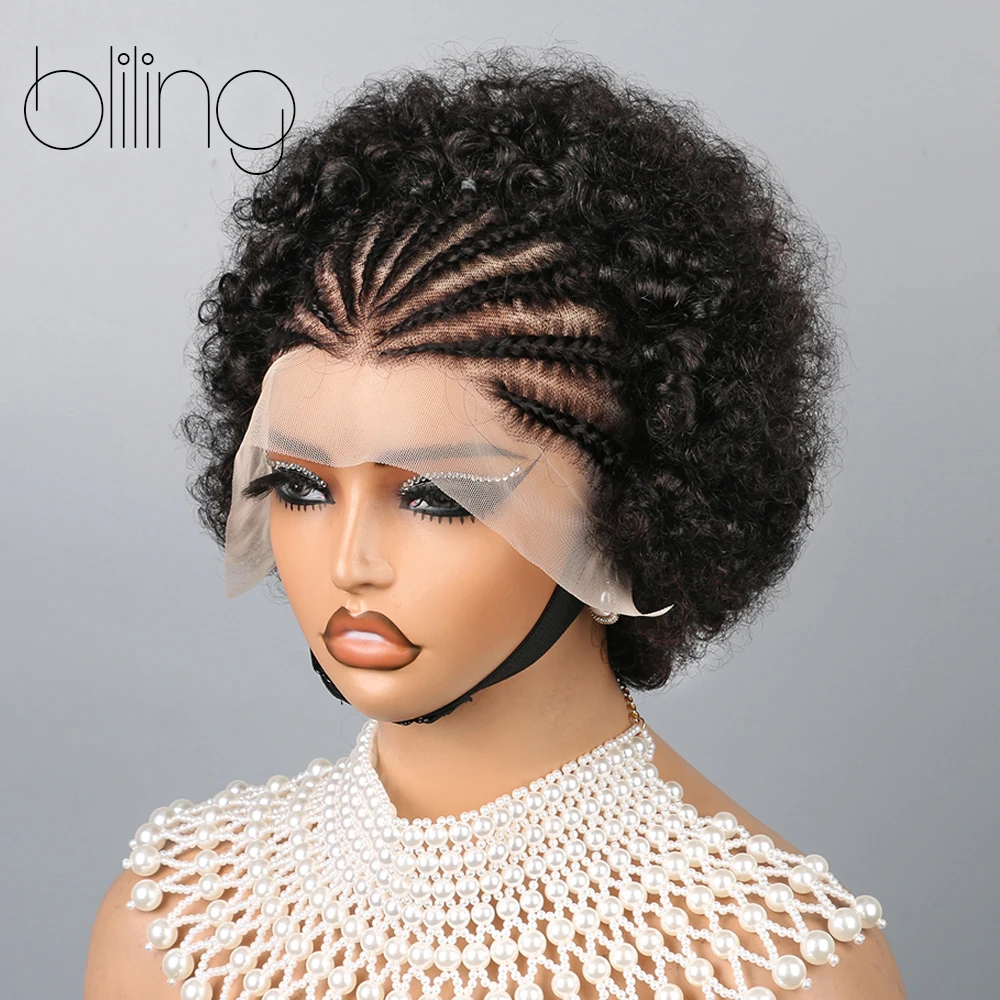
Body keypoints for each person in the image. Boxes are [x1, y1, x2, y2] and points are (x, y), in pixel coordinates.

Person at [84, 46, 907, 1000]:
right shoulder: (178, 928)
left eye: (437, 497)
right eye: (302, 487)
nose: (350, 563)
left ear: (630, 503)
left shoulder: (775, 970)